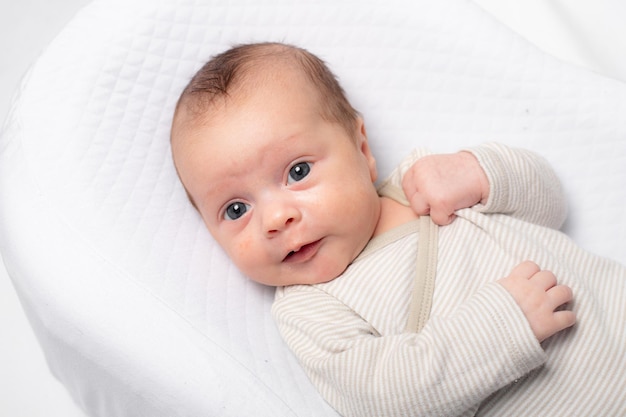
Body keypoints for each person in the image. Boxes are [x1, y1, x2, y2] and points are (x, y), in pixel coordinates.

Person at [170, 42, 626, 416]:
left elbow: (549, 206)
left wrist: (482, 171)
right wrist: (503, 326)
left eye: (298, 171)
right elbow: (385, 399)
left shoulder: (424, 183)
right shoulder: (311, 309)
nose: (275, 218)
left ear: (361, 147)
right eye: (234, 209)